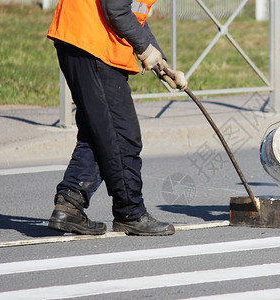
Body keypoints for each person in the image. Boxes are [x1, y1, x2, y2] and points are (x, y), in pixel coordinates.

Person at [46, 0, 187, 236]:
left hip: (81, 38)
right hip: (94, 43)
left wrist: (161, 63)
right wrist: (145, 48)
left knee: (99, 130)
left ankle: (70, 204)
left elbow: (134, 14)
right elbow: (116, 8)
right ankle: (130, 213)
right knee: (122, 136)